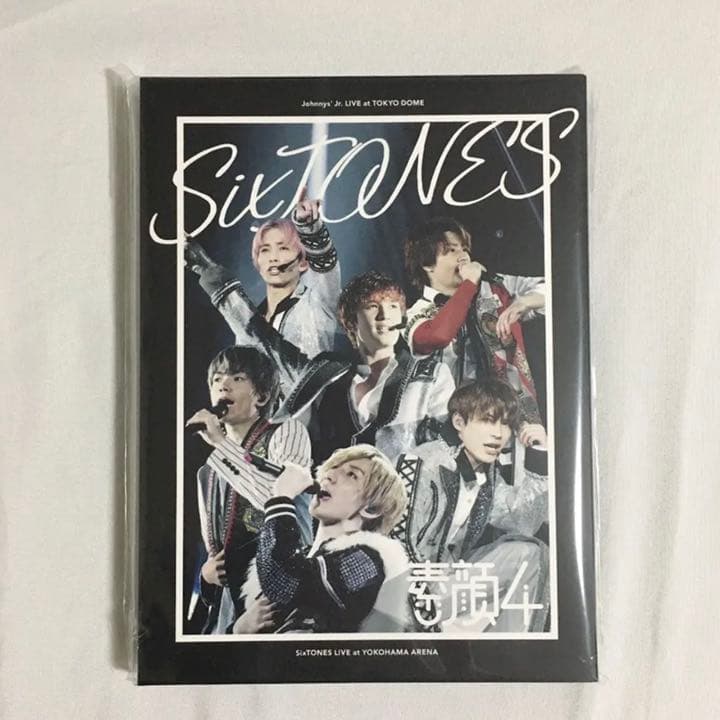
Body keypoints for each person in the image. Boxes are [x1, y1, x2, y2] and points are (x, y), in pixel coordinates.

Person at [395, 379, 549, 633]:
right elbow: (398, 546)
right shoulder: (421, 462)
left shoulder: (486, 475)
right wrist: (422, 604)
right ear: (459, 422)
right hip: (406, 594)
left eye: (506, 424)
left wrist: (540, 456)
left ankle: (509, 651)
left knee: (529, 553)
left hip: (448, 584)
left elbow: (522, 523)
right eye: (488, 421)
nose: (498, 434)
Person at [185, 345, 313, 634]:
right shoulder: (207, 472)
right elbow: (216, 547)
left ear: (262, 396)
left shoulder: (287, 432)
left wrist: (221, 445)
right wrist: (206, 575)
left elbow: (278, 499)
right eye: (217, 379)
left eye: (238, 378)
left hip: (281, 598)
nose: (224, 385)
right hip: (230, 610)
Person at [270, 270, 456, 465]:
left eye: (393, 306)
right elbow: (303, 442)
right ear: (351, 321)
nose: (384, 316)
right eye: (372, 306)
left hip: (403, 483)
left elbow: (445, 447)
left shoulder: (432, 375)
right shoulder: (329, 377)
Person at [403, 217, 546, 450]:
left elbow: (554, 288)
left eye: (464, 248)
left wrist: (523, 303)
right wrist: (469, 283)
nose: (463, 256)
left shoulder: (497, 289)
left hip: (512, 424)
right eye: (451, 250)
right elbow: (438, 336)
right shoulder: (417, 313)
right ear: (427, 264)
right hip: (450, 434)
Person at [233, 444, 409, 634]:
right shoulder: (302, 558)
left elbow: (284, 583)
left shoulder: (368, 561)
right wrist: (238, 628)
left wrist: (282, 498)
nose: (329, 475)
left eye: (352, 475)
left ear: (371, 509)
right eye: (333, 467)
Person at [185, 188, 341, 396]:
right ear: (257, 261)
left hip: (313, 414)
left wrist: (310, 228)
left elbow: (326, 268)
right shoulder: (247, 320)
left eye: (283, 248)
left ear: (303, 262)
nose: (273, 257)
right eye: (265, 250)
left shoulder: (318, 304)